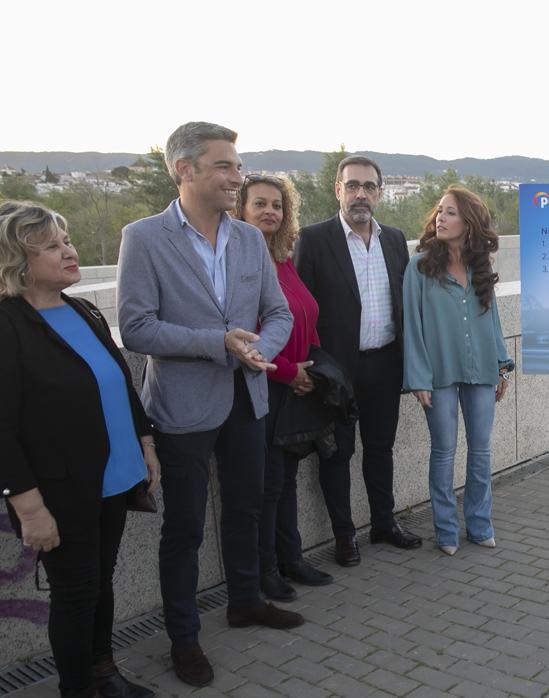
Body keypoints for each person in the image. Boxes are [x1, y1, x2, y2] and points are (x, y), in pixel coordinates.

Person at [116, 122, 299, 688]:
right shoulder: (143, 237)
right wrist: (218, 344)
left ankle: (245, 601)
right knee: (186, 528)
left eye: (238, 166)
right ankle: (184, 638)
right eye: (225, 166)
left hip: (248, 398)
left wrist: (258, 354)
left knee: (247, 510)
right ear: (185, 170)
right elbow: (137, 328)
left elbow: (279, 314)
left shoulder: (247, 238)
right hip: (183, 409)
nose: (236, 178)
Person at [0, 203, 158, 697]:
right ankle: (78, 689)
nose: (70, 252)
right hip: (57, 491)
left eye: (66, 241)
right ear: (17, 261)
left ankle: (103, 672)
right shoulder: (7, 325)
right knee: (74, 594)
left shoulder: (82, 309)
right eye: (52, 246)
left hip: (112, 475)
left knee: (100, 581)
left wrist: (145, 442)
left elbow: (119, 383)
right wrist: (30, 509)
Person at [295, 155, 421, 567]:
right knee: (337, 454)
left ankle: (383, 523)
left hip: (385, 365)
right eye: (352, 186)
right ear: (338, 190)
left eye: (369, 186)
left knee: (381, 448)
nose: (360, 194)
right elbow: (299, 310)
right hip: (337, 372)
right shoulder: (313, 240)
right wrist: (311, 365)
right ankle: (344, 535)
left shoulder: (394, 239)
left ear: (380, 193)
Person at [233, 174, 334, 601]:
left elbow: (302, 315)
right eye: (259, 204)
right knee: (267, 485)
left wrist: (309, 371)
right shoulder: (239, 263)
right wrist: (290, 372)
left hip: (295, 383)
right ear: (240, 210)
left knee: (286, 479)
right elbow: (248, 335)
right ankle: (265, 570)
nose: (270, 212)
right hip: (265, 383)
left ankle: (290, 557)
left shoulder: (281, 258)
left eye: (276, 205)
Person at [402, 185, 513, 556]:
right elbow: (412, 327)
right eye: (439, 211)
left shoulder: (480, 266)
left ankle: (480, 525)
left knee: (481, 451)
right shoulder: (419, 267)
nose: (440, 218)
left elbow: (492, 319)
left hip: (481, 366)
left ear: (468, 222)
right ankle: (446, 530)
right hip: (438, 373)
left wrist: (502, 364)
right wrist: (418, 377)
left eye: (449, 212)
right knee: (444, 451)